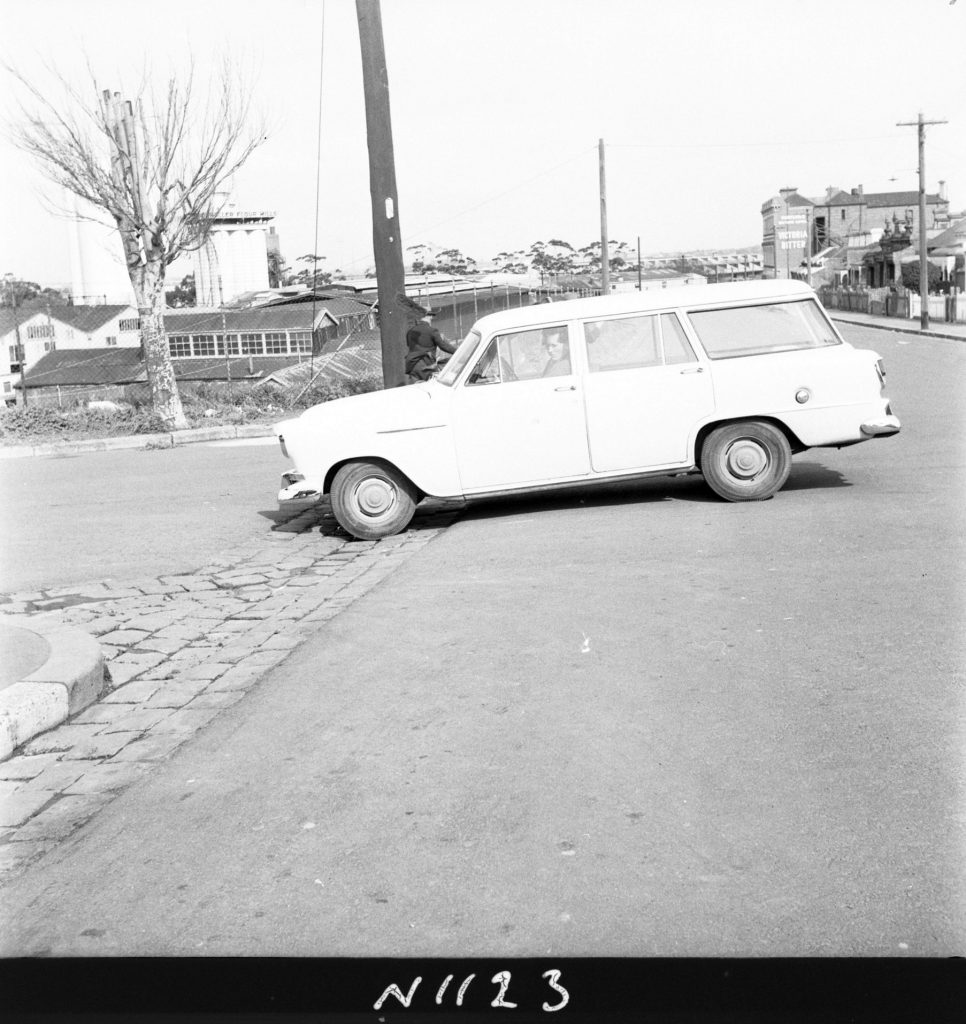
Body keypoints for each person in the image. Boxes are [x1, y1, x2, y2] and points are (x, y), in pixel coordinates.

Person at [405, 308, 457, 383]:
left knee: (415, 390)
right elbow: (444, 346)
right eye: (431, 315)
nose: (432, 318)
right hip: (427, 366)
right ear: (428, 317)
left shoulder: (410, 331)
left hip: (412, 366)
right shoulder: (432, 331)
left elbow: (409, 345)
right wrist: (458, 351)